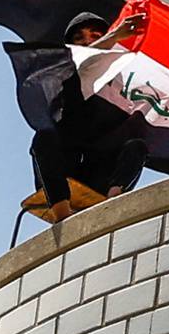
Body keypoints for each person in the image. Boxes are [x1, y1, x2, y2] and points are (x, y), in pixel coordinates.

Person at [30, 11, 147, 219]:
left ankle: (113, 202)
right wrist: (112, 37)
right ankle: (62, 215)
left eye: (95, 36)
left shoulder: (123, 82)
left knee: (136, 146)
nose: (87, 42)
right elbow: (81, 63)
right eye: (80, 39)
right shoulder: (65, 71)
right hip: (62, 173)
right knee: (44, 137)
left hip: (99, 172)